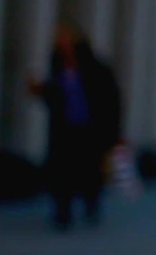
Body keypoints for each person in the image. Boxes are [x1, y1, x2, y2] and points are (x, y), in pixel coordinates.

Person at [29, 23, 123, 229]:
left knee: (88, 169)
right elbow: (55, 97)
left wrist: (113, 133)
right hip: (65, 129)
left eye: (66, 39)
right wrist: (41, 91)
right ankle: (63, 210)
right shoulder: (58, 67)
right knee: (62, 169)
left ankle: (91, 204)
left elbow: (110, 101)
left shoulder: (96, 69)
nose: (62, 44)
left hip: (90, 129)